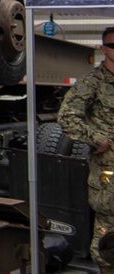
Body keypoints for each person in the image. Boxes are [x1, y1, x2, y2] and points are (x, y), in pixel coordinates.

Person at [58, 26, 114, 273]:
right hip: (108, 174)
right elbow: (67, 116)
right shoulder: (93, 82)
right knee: (108, 236)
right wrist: (97, 140)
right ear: (103, 49)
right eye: (113, 46)